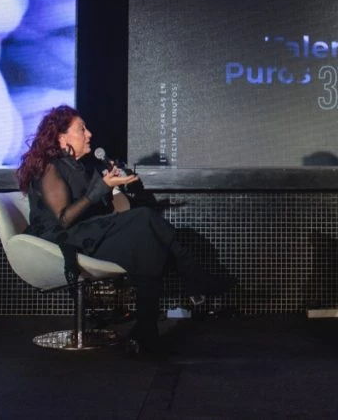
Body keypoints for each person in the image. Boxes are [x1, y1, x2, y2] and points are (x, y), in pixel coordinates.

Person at [16, 105, 235, 350]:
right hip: (61, 240)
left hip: (86, 234)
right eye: (81, 129)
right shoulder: (50, 168)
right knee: (144, 220)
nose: (89, 134)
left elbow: (101, 212)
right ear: (61, 137)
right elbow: (64, 219)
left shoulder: (83, 168)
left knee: (146, 239)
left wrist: (113, 186)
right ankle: (192, 279)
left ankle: (147, 329)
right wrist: (100, 188)